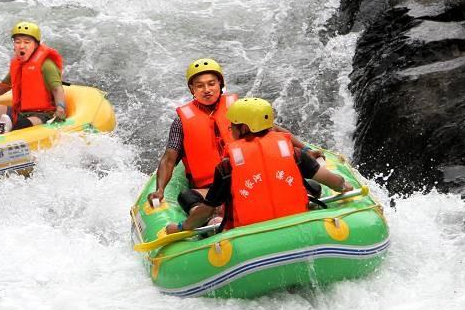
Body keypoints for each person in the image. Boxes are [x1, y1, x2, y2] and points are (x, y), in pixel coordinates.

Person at [148, 58, 317, 217]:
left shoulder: (240, 110)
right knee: (186, 197)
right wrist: (160, 189)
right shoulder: (181, 123)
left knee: (313, 186)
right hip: (212, 189)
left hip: (250, 179)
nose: (206, 90)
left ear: (220, 84)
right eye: (199, 86)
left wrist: (306, 149)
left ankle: (300, 201)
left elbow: (275, 132)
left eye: (211, 84)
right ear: (192, 89)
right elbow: (169, 159)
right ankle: (212, 217)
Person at [165, 97, 351, 234]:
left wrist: (181, 227)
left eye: (233, 126)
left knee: (199, 203)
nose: (230, 129)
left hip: (251, 236)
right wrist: (344, 186)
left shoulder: (227, 167)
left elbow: (204, 211)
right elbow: (332, 181)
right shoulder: (294, 154)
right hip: (296, 225)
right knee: (313, 187)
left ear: (244, 128)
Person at [0, 20, 66, 133]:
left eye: (27, 42)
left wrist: (60, 108)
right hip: (20, 112)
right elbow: (2, 87)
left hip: (44, 115)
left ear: (36, 45)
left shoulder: (46, 64)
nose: (21, 46)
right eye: (18, 42)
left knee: (19, 125)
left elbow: (57, 88)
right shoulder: (18, 65)